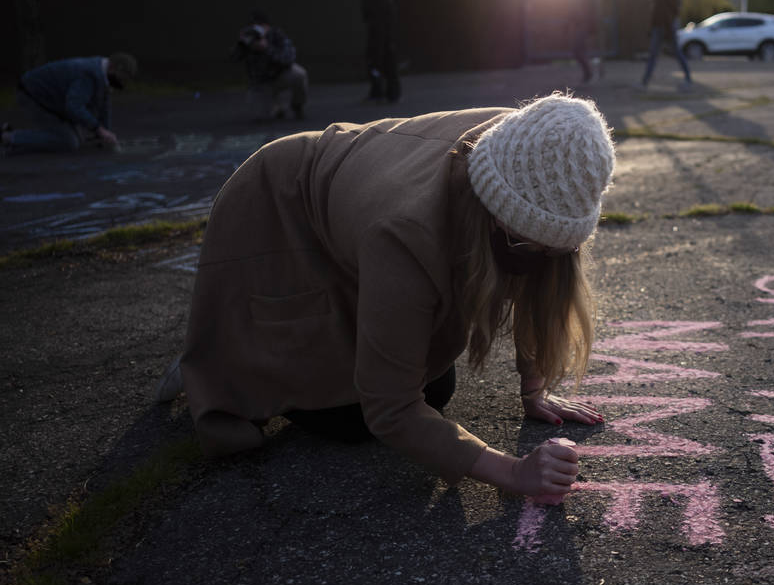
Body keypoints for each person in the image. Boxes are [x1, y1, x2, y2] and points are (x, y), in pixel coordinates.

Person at [152, 94, 615, 500]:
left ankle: (233, 349)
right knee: (353, 422)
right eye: (525, 244)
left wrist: (535, 390)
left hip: (355, 208)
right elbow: (390, 409)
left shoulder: (536, 150)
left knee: (436, 388)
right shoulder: (407, 229)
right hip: (280, 206)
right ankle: (220, 357)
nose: (538, 261)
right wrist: (513, 473)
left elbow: (542, 278)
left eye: (557, 249)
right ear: (491, 212)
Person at [2, 53, 136, 155]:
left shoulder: (102, 75)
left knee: (77, 139)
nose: (122, 83)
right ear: (115, 69)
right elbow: (74, 107)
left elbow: (103, 106)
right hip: (32, 96)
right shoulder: (90, 74)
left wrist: (106, 132)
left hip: (52, 100)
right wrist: (98, 129)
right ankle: (8, 138)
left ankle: (15, 136)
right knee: (68, 142)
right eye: (122, 78)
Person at [231, 11, 308, 120]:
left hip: (280, 76)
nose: (257, 29)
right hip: (260, 84)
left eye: (260, 25)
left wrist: (267, 48)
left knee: (299, 74)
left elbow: (288, 58)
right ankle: (277, 106)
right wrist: (243, 44)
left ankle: (296, 106)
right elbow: (233, 58)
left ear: (267, 26)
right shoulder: (248, 39)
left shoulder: (276, 35)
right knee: (261, 118)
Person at [356, 0, 400, 102]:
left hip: (378, 20)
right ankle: (390, 91)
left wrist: (371, 16)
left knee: (377, 54)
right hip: (384, 19)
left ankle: (380, 90)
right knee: (386, 52)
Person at [640, 0, 692, 90]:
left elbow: (672, 7)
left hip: (666, 25)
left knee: (673, 52)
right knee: (655, 53)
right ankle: (645, 81)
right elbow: (657, 8)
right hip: (660, 25)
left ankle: (688, 77)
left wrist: (668, 23)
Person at [568, 0, 600, 85]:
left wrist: (593, 22)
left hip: (585, 22)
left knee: (577, 49)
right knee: (579, 49)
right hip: (579, 22)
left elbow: (594, 3)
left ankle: (588, 74)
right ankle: (588, 74)